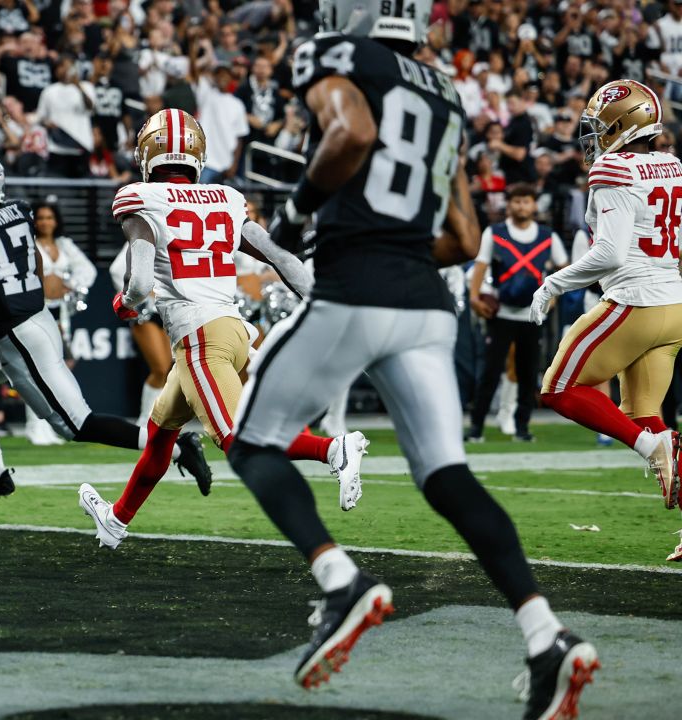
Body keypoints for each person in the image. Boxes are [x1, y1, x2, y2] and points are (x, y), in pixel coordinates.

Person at [226, 4, 597, 718]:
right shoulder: (445, 89)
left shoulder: (334, 53)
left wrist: (301, 216)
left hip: (355, 291)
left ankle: (340, 580)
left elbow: (352, 131)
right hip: (426, 305)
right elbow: (462, 236)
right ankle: (545, 635)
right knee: (447, 476)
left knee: (252, 444)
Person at [78, 109, 369, 551]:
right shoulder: (226, 198)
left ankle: (333, 449)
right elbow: (282, 258)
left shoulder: (140, 197)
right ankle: (116, 520)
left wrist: (126, 302)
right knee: (161, 434)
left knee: (241, 443)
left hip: (200, 338)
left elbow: (138, 283)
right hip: (233, 330)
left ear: (147, 152)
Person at [0, 149, 211, 498]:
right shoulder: (17, 211)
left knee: (76, 425)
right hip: (30, 321)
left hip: (17, 335)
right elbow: (35, 268)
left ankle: (181, 447)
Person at [528, 80, 682, 562]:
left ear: (624, 125)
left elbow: (609, 253)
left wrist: (553, 284)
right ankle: (656, 446)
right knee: (648, 417)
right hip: (674, 305)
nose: (592, 138)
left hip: (634, 302)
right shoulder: (673, 164)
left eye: (601, 128)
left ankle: (649, 447)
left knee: (559, 388)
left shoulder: (614, 166)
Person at [467, 183, 568, 443]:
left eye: (526, 201)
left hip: (532, 315)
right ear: (508, 204)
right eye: (516, 201)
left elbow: (563, 267)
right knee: (490, 372)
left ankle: (522, 428)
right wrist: (474, 297)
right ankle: (476, 427)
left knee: (528, 372)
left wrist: (553, 296)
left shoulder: (547, 235)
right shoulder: (496, 233)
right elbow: (481, 265)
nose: (521, 206)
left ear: (534, 205)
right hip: (500, 312)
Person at [25, 202, 95, 445]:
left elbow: (89, 270)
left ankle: (51, 424)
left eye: (49, 217)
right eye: (41, 217)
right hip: (36, 311)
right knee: (38, 369)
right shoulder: (27, 243)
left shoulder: (64, 244)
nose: (45, 222)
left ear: (56, 221)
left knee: (59, 368)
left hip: (60, 313)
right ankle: (34, 426)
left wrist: (72, 284)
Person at [109, 242, 172, 425]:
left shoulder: (173, 235)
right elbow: (117, 269)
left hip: (167, 310)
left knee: (168, 370)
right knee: (159, 368)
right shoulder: (141, 237)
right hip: (146, 312)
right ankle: (145, 421)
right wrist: (139, 293)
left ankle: (159, 421)